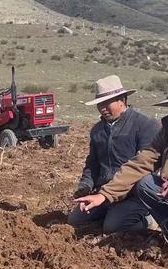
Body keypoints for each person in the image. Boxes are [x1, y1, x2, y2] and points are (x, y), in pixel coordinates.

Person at [75, 71, 168, 247]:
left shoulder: (143, 124)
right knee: (147, 184)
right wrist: (104, 195)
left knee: (114, 223)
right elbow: (141, 163)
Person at [68, 75, 160, 233]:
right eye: (99, 104)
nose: (103, 108)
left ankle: (150, 219)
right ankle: (110, 214)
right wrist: (86, 185)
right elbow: (93, 164)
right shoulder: (97, 130)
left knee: (112, 227)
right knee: (74, 220)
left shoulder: (145, 125)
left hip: (133, 194)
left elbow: (146, 167)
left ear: (122, 100)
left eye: (106, 103)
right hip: (103, 192)